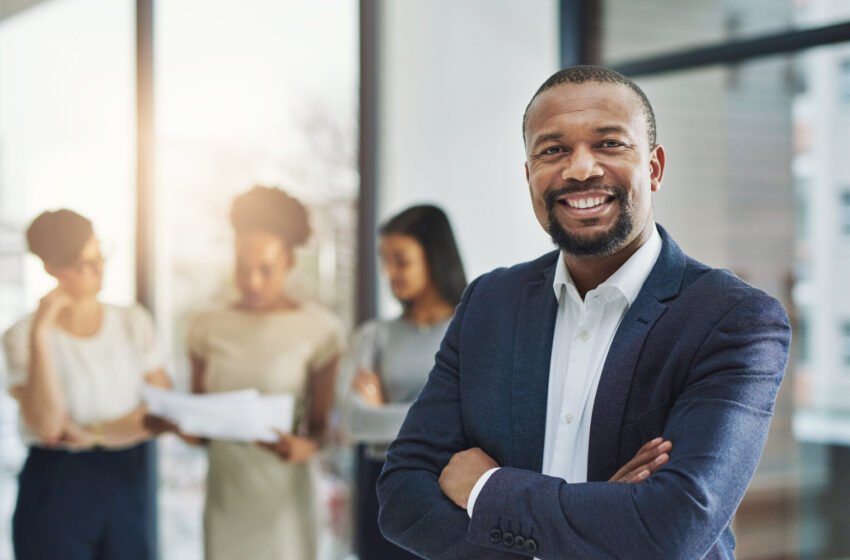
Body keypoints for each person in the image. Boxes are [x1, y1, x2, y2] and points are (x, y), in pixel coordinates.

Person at [377, 65, 791, 559]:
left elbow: (674, 526)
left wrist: (488, 489)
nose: (580, 169)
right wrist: (602, 517)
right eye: (553, 150)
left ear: (654, 168)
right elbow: (403, 497)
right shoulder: (489, 302)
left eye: (609, 144)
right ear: (529, 174)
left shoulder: (733, 318)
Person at [3, 209, 171, 560]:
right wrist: (41, 333)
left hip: (126, 476)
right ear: (52, 268)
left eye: (100, 256)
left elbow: (163, 411)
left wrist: (93, 435)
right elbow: (48, 424)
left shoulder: (131, 322)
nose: (98, 270)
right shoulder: (22, 335)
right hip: (55, 483)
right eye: (83, 264)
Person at [187, 186, 344, 560]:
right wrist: (175, 421)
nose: (252, 281)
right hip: (226, 498)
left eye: (266, 269)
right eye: (242, 268)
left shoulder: (321, 329)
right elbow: (197, 429)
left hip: (284, 502)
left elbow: (324, 430)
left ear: (289, 262)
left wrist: (307, 445)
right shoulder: (206, 326)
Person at [337, 204, 467, 559]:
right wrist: (435, 422)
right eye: (385, 259)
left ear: (434, 256)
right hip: (382, 488)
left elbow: (471, 419)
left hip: (450, 494)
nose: (389, 272)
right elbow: (353, 421)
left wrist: (385, 412)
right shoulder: (373, 336)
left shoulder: (472, 329)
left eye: (401, 259)